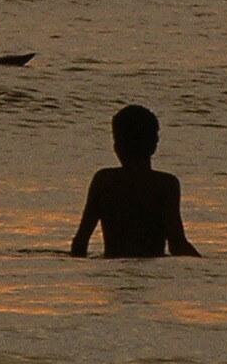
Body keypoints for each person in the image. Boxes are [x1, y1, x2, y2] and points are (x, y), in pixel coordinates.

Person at [70, 104, 199, 257]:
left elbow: (80, 242)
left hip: (112, 270)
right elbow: (177, 244)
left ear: (117, 146)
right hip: (154, 272)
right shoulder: (165, 185)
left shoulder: (104, 180)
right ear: (154, 144)